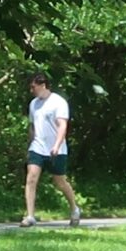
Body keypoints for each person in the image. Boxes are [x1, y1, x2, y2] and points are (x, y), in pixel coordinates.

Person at [21, 71, 81, 227]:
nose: (31, 90)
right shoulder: (33, 104)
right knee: (31, 178)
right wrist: (30, 145)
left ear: (43, 85)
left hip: (56, 149)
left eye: (33, 87)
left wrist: (56, 145)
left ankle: (74, 208)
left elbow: (62, 125)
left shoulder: (58, 102)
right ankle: (30, 216)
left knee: (59, 181)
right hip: (37, 147)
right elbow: (33, 126)